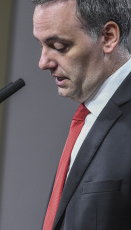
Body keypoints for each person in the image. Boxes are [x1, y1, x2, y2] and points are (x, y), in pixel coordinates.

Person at [32, 0, 131, 229]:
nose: (43, 63)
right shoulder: (87, 116)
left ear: (108, 37)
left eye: (58, 46)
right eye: (41, 46)